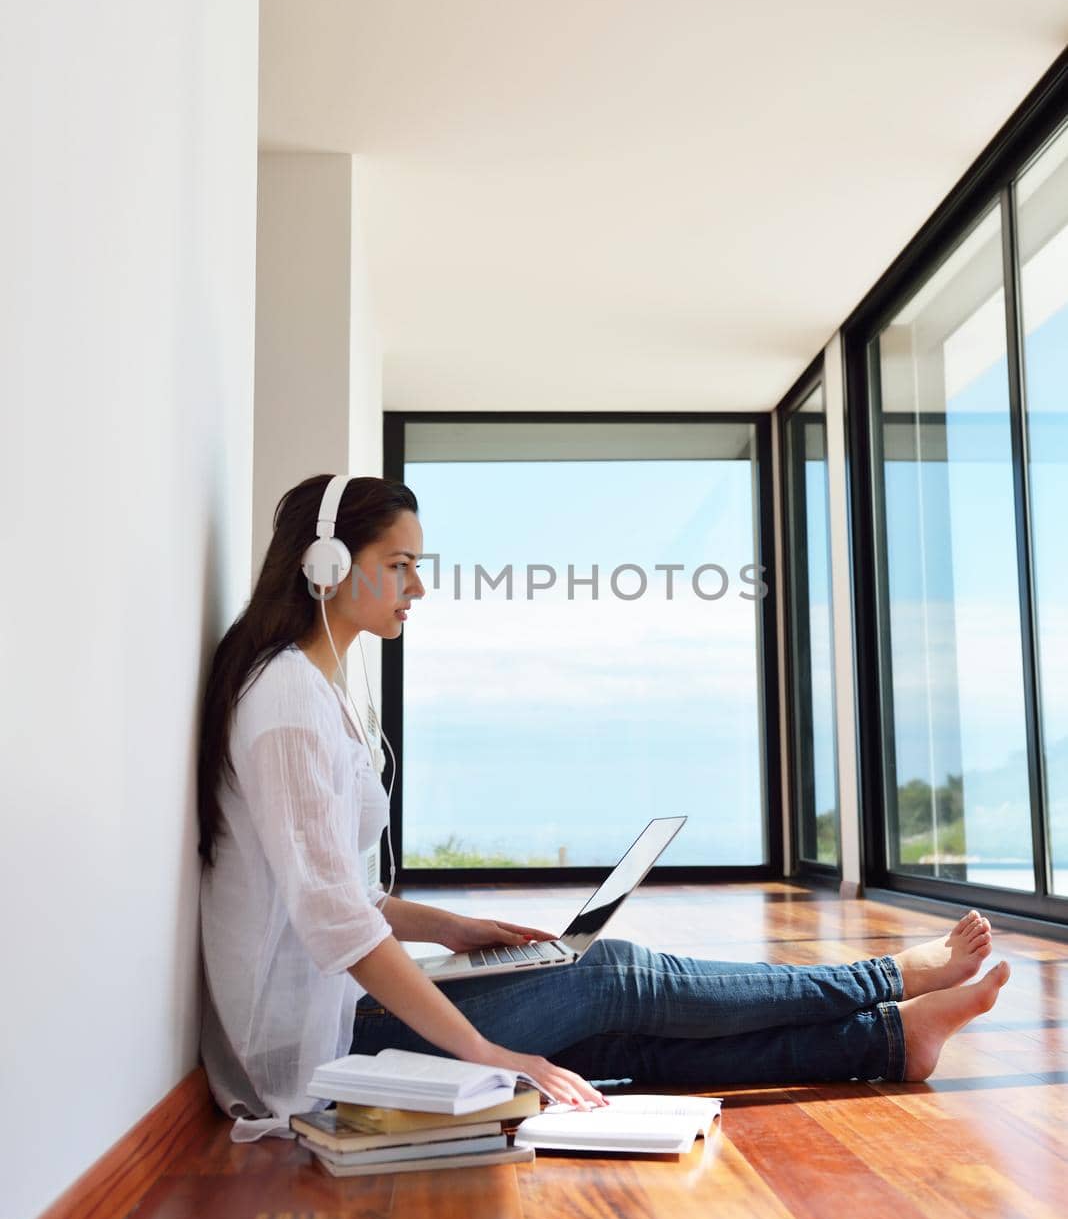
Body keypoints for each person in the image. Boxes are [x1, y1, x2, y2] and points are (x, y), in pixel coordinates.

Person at [196, 473, 1010, 1142]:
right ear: (331, 565)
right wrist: (489, 1052)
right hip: (318, 1046)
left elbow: (342, 895)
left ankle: (893, 1040)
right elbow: (335, 918)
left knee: (605, 1028)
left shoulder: (312, 691)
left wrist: (453, 930)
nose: (419, 586)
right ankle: (887, 977)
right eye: (401, 563)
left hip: (342, 1007)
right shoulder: (287, 705)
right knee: (611, 975)